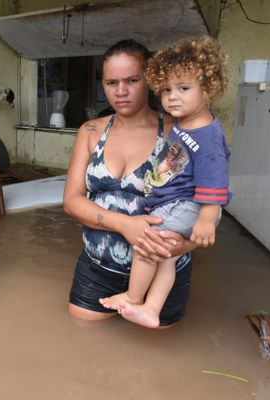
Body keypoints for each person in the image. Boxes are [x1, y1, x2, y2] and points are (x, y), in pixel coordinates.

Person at [64, 39, 198, 327]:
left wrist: (184, 246)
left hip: (161, 277)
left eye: (132, 80)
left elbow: (202, 206)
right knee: (79, 339)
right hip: (97, 269)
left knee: (156, 362)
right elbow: (72, 201)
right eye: (112, 82)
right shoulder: (90, 131)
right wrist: (124, 224)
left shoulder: (178, 134)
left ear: (149, 79)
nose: (121, 92)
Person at [99, 36, 231, 328]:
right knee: (165, 258)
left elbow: (216, 181)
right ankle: (152, 308)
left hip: (189, 205)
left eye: (184, 88)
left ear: (207, 89)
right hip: (176, 202)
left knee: (147, 246)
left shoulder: (206, 137)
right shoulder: (186, 122)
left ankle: (135, 299)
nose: (172, 97)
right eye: (167, 89)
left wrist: (207, 220)